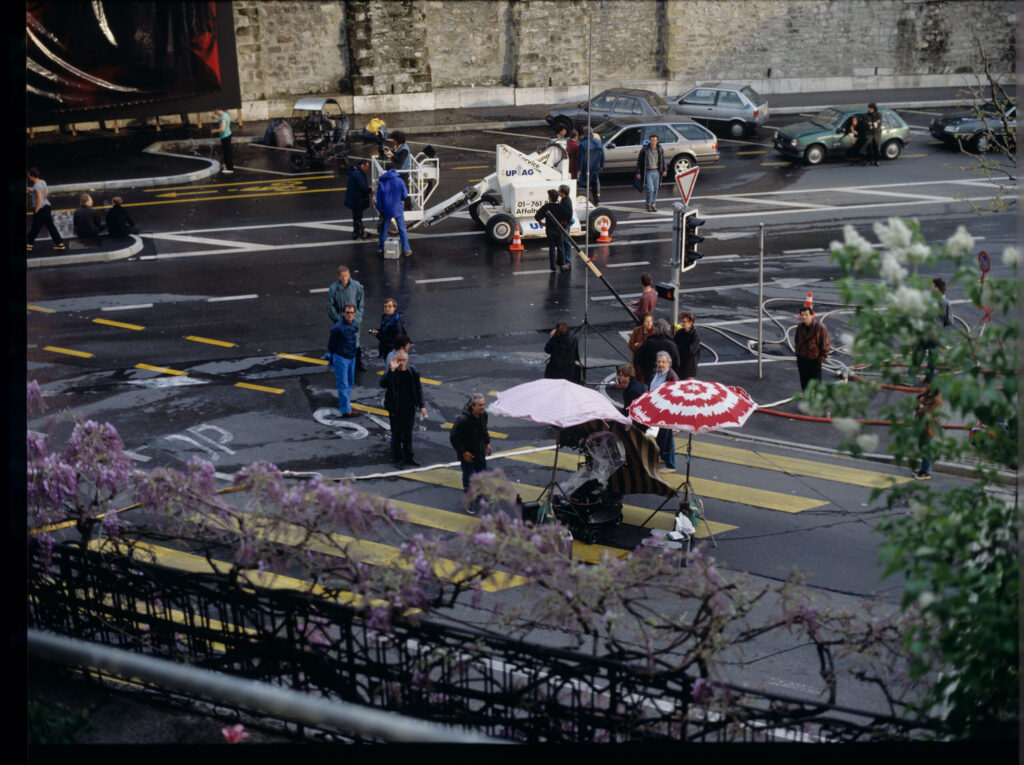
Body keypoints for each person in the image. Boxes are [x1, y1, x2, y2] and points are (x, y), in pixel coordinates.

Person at [380, 350, 427, 468]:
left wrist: (422, 405)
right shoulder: (392, 372)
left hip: (409, 407)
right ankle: (398, 458)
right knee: (396, 433)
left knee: (408, 433)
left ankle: (409, 456)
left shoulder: (413, 371)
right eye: (398, 360)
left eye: (403, 360)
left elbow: (419, 389)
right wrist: (391, 370)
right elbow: (383, 384)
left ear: (407, 360)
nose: (401, 363)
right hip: (395, 408)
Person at [327, 266, 367, 371]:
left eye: (346, 276)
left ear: (349, 275)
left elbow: (361, 303)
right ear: (338, 277)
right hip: (341, 320)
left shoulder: (356, 286)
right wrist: (337, 318)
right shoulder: (334, 288)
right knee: (342, 342)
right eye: (342, 277)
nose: (344, 278)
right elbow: (330, 306)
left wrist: (357, 316)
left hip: (354, 319)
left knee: (356, 341)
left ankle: (358, 363)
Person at [450, 394, 492, 491]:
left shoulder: (484, 415)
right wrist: (463, 452)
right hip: (468, 455)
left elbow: (484, 430)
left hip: (480, 453)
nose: (482, 407)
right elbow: (454, 437)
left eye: (483, 405)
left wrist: (487, 443)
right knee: (468, 478)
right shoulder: (463, 420)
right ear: (472, 406)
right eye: (480, 405)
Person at [327, 303, 360, 418]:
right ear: (343, 313)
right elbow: (331, 345)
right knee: (343, 384)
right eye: (347, 313)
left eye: (352, 313)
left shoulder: (355, 325)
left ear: (354, 313)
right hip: (342, 358)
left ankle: (346, 405)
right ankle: (346, 410)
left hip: (352, 357)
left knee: (349, 383)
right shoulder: (337, 329)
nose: (350, 315)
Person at [648, 351, 680, 471]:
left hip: (666, 412)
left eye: (663, 362)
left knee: (667, 437)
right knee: (660, 436)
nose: (660, 364)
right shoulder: (655, 372)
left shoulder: (672, 377)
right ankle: (663, 456)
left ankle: (671, 464)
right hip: (656, 409)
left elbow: (674, 397)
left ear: (669, 364)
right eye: (659, 361)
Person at [376, 164, 412, 257]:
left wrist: (379, 209)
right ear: (395, 170)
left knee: (384, 230)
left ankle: (380, 249)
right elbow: (405, 195)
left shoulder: (382, 182)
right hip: (398, 208)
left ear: (386, 170)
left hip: (386, 209)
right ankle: (407, 249)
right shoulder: (399, 181)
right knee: (402, 229)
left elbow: (378, 198)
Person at [26, 167, 65, 252]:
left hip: (41, 209)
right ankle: (60, 244)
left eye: (28, 175)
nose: (28, 177)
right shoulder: (43, 182)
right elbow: (46, 193)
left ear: (32, 176)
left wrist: (36, 211)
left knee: (35, 228)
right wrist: (32, 191)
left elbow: (39, 200)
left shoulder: (36, 185)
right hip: (47, 206)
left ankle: (28, 245)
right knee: (51, 227)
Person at [795, 305, 831, 391]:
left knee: (816, 384)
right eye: (802, 315)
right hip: (802, 360)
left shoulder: (820, 328)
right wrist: (798, 355)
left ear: (812, 315)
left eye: (806, 315)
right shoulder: (800, 327)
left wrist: (818, 360)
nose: (804, 317)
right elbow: (797, 340)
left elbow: (825, 346)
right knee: (804, 383)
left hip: (814, 361)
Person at [913, 380, 942, 480]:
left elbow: (927, 412)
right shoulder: (928, 394)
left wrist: (920, 407)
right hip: (923, 425)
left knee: (927, 449)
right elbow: (917, 401)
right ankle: (923, 469)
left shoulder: (936, 399)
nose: (926, 385)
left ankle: (926, 472)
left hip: (929, 426)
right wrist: (920, 405)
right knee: (922, 448)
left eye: (927, 384)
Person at [637, 319, 680, 385]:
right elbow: (677, 363)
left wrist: (646, 370)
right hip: (667, 377)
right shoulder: (671, 344)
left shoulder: (648, 343)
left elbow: (639, 358)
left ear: (654, 328)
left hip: (649, 375)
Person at [535, 189, 565, 272]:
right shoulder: (561, 207)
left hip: (550, 230)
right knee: (560, 248)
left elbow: (537, 216)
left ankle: (553, 266)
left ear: (549, 198)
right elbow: (566, 217)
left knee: (551, 249)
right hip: (559, 230)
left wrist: (542, 223)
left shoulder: (546, 207)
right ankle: (562, 264)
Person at [635, 133, 666, 212]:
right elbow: (639, 161)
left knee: (656, 189)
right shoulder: (645, 150)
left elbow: (663, 160)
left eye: (655, 140)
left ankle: (653, 204)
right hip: (648, 171)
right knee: (650, 189)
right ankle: (648, 203)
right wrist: (638, 172)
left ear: (657, 141)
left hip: (657, 171)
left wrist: (664, 170)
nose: (653, 142)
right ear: (650, 141)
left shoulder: (660, 149)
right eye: (652, 140)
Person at [345, 159, 372, 240]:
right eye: (366, 167)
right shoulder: (358, 174)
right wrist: (370, 189)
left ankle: (358, 231)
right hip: (356, 200)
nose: (367, 169)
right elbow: (363, 187)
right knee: (357, 217)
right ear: (362, 165)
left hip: (355, 199)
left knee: (357, 217)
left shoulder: (357, 172)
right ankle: (357, 233)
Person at [576, 129, 604, 204]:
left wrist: (579, 168)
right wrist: (601, 165)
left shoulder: (583, 144)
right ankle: (596, 199)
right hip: (596, 166)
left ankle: (585, 199)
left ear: (584, 134)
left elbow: (581, 158)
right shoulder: (599, 142)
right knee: (595, 183)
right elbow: (602, 155)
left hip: (586, 167)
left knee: (584, 184)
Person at [627, 312, 655, 385]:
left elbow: (649, 349)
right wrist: (640, 346)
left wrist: (638, 345)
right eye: (647, 321)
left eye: (651, 321)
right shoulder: (637, 330)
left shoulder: (654, 333)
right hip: (636, 362)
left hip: (647, 363)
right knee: (636, 381)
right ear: (643, 322)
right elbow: (630, 345)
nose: (650, 323)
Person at [673, 311, 701, 379]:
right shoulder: (680, 332)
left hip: (689, 369)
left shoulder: (695, 335)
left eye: (684, 321)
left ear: (690, 322)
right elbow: (673, 345)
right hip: (680, 366)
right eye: (681, 321)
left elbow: (690, 350)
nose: (681, 324)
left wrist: (678, 347)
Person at [557, 184, 575, 271]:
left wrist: (564, 222)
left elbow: (569, 214)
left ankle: (568, 261)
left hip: (565, 224)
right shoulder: (564, 199)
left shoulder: (566, 201)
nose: (558, 192)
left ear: (563, 193)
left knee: (566, 241)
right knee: (564, 241)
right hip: (564, 223)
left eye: (559, 190)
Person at [211, 108, 233, 174]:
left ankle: (230, 169)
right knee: (228, 152)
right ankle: (228, 166)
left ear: (218, 110)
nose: (215, 113)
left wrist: (214, 130)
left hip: (225, 136)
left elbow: (222, 129)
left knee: (227, 153)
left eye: (215, 112)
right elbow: (223, 120)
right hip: (228, 135)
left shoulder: (223, 117)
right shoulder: (225, 115)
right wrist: (217, 118)